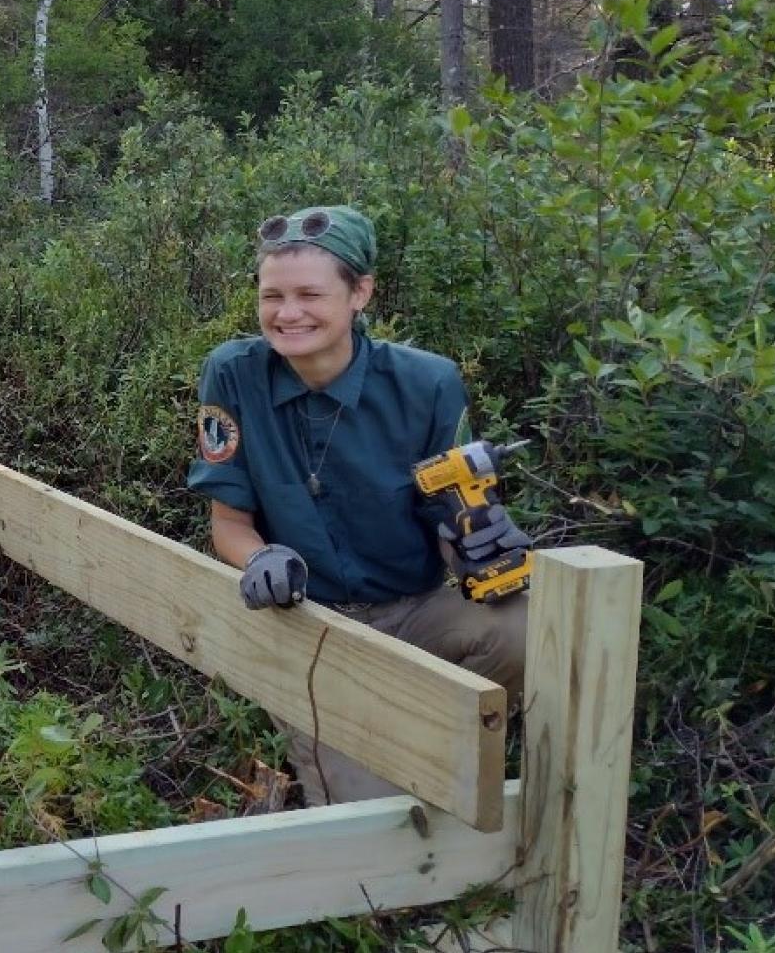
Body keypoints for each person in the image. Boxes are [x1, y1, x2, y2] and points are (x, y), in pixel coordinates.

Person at [184, 205, 531, 804]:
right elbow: (229, 522)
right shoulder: (233, 374)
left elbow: (451, 515)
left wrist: (480, 548)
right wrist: (261, 559)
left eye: (309, 294)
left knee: (526, 628)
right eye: (273, 296)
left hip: (412, 609)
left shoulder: (428, 383)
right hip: (307, 623)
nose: (287, 314)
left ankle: (425, 730)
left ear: (360, 292)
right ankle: (366, 744)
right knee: (373, 817)